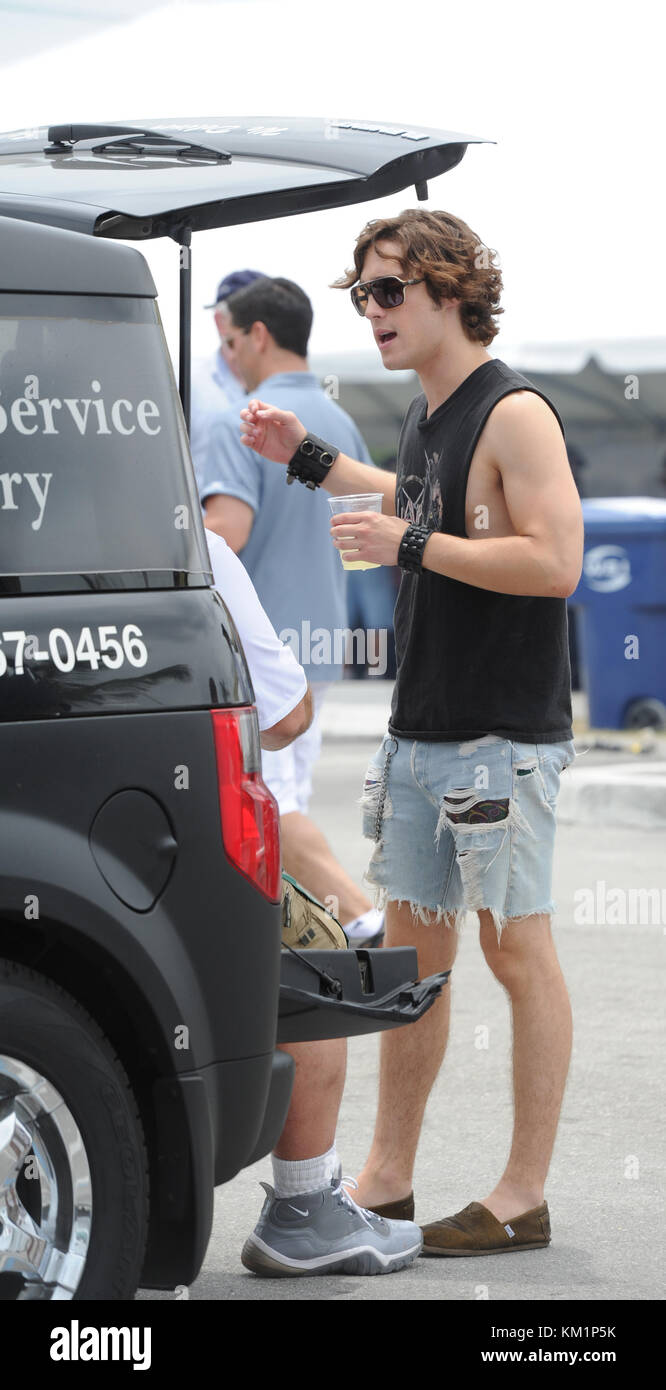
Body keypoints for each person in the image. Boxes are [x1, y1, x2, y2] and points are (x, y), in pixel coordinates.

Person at [237, 207, 584, 1258]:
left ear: (448, 289)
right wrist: (310, 462)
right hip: (425, 725)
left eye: (388, 291)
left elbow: (554, 558)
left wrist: (413, 543)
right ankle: (386, 1180)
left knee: (515, 949)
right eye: (362, 296)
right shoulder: (433, 414)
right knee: (415, 954)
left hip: (500, 732)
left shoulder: (515, 410)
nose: (372, 312)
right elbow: (419, 502)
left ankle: (523, 1193)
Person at [203, 525, 422, 1276]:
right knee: (317, 955)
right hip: (163, 833)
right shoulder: (186, 543)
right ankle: (304, 1206)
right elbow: (286, 712)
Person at [200, 274, 383, 945]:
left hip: (265, 645)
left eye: (229, 342)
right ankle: (317, 933)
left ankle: (362, 920)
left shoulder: (238, 422)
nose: (227, 358)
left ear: (257, 335)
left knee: (270, 798)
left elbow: (227, 532)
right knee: (286, 790)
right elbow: (363, 540)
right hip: (325, 637)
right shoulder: (341, 423)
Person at [189, 269, 264, 486]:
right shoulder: (185, 382)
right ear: (218, 321)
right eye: (241, 316)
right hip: (204, 519)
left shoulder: (285, 388)